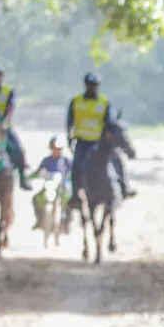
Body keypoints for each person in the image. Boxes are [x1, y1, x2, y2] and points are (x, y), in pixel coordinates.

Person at [66, 72, 135, 207]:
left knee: (117, 160)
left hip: (99, 142)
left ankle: (124, 187)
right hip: (82, 142)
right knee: (76, 167)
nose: (92, 88)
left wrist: (112, 136)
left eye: (95, 85)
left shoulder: (104, 102)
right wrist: (69, 138)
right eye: (90, 85)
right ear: (86, 85)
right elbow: (70, 122)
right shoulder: (76, 101)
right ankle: (75, 195)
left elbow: (109, 121)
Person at [30, 137, 73, 230]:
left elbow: (74, 172)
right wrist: (29, 177)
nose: (55, 150)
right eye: (54, 148)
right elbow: (38, 171)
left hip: (62, 187)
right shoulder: (46, 160)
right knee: (36, 199)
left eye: (57, 149)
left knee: (69, 200)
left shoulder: (66, 161)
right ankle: (40, 220)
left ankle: (67, 222)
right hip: (49, 187)